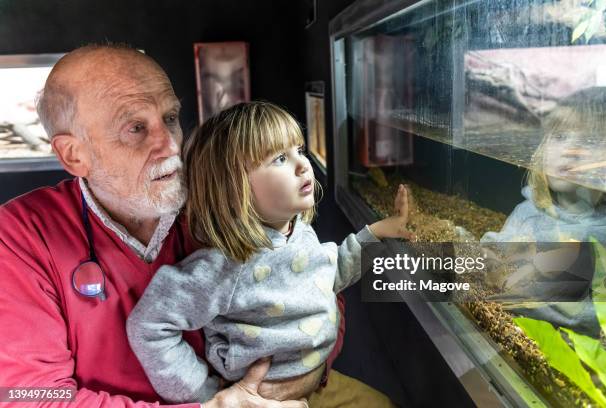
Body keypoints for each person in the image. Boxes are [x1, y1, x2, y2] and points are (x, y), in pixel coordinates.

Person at [0, 44, 387, 408]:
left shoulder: (221, 194)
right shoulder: (18, 236)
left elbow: (310, 274)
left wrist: (299, 379)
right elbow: (27, 396)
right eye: (136, 128)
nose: (170, 144)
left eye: (170, 118)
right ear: (74, 154)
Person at [126, 102, 412, 405]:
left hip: (319, 381)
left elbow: (328, 275)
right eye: (279, 158)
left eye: (298, 150)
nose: (303, 165)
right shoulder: (222, 267)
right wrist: (210, 397)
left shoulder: (299, 231)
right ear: (234, 188)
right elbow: (148, 326)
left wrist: (378, 232)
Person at [481, 86, 606, 336]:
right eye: (560, 136)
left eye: (587, 141)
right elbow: (495, 259)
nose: (569, 151)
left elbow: (597, 321)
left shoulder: (605, 236)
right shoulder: (528, 211)